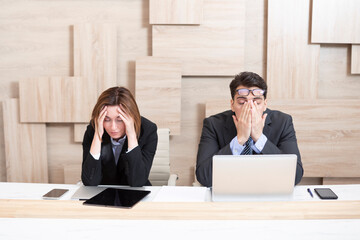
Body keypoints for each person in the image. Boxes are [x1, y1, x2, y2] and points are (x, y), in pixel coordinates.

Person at [196, 72, 303, 187]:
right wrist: (239, 140)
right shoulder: (213, 124)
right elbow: (204, 177)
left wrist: (259, 138)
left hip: (268, 191)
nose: (250, 108)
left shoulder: (283, 122)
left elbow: (295, 175)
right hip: (230, 191)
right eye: (242, 102)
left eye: (257, 102)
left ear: (265, 104)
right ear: (232, 105)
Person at [81, 86, 158, 187]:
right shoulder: (93, 130)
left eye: (120, 119)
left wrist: (131, 135)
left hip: (135, 194)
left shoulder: (148, 130)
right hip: (104, 193)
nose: (113, 127)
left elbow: (137, 182)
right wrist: (98, 135)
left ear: (132, 117)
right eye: (107, 119)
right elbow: (90, 182)